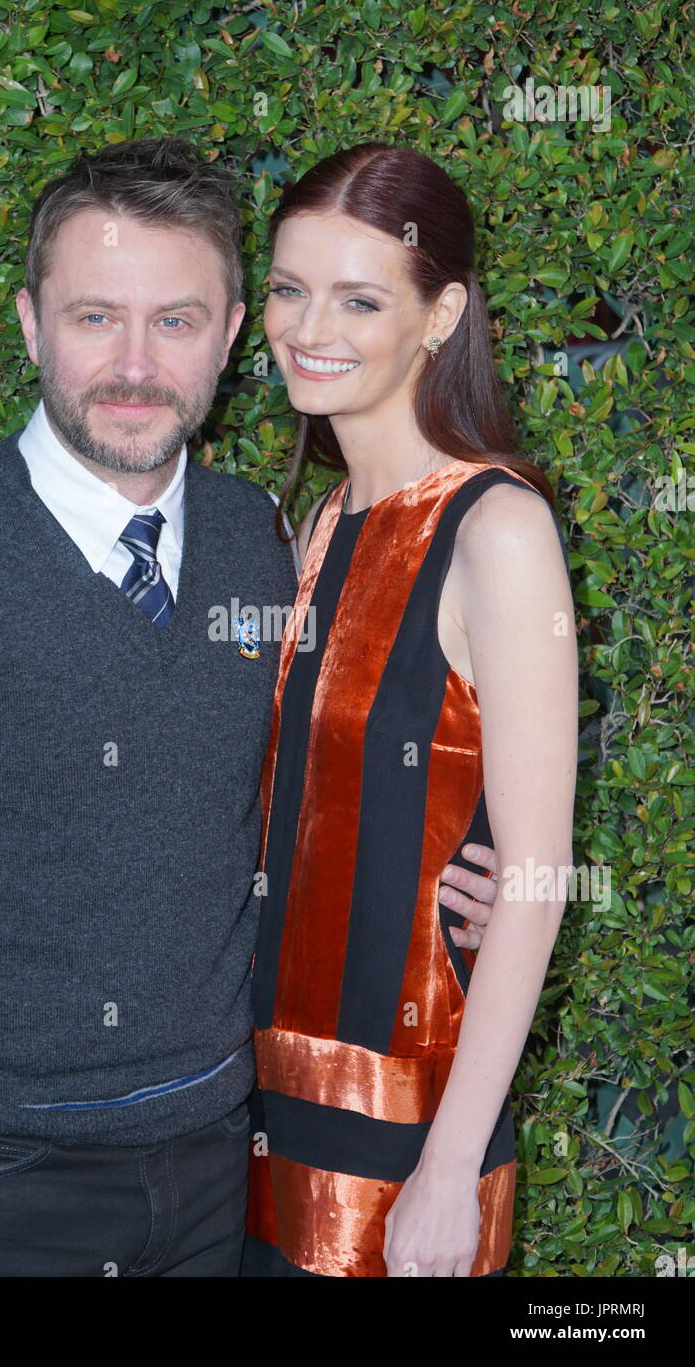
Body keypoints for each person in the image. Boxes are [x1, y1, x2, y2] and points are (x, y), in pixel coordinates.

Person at [0, 139, 499, 1278]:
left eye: (174, 321)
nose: (133, 366)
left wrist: (450, 864)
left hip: (219, 1167)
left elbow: (300, 786)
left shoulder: (264, 538)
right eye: (95, 318)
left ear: (232, 335)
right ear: (34, 325)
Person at [241, 142, 578, 1278]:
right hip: (248, 1102)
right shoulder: (307, 525)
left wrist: (443, 1170)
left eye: (358, 298)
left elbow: (531, 881)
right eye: (288, 288)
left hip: (404, 1119)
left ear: (439, 316)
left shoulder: (497, 530)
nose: (307, 325)